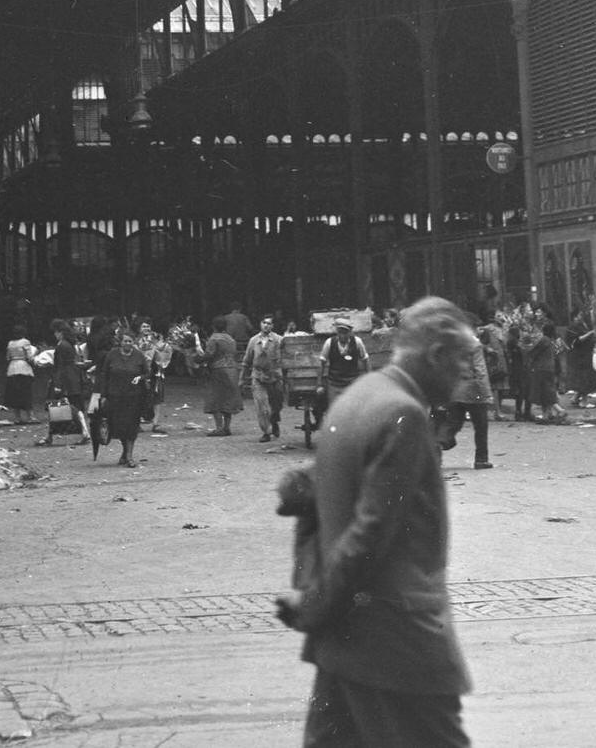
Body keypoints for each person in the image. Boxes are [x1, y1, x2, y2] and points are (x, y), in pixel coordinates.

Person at [277, 296, 478, 748]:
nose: (468, 373)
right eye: (464, 359)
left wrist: (314, 594)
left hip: (345, 641)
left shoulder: (358, 397)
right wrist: (316, 604)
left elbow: (311, 505)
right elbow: (369, 536)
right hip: (396, 645)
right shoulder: (404, 414)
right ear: (436, 355)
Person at [436, 321, 495, 466]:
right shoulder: (475, 345)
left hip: (455, 389)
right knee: (481, 426)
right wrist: (487, 392)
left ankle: (438, 444)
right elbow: (480, 370)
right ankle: (481, 459)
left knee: (453, 422)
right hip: (474, 389)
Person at [99, 327, 148, 467]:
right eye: (125, 341)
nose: (127, 343)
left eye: (130, 341)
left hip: (134, 397)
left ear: (134, 342)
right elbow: (105, 375)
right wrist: (103, 395)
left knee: (131, 426)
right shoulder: (112, 355)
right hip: (115, 397)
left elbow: (147, 373)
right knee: (119, 427)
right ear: (120, 342)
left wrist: (140, 377)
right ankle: (125, 451)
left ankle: (129, 456)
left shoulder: (139, 356)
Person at [241, 314, 285, 442]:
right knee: (261, 406)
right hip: (258, 376)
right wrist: (241, 379)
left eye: (269, 323)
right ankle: (266, 432)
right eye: (264, 323)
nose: (266, 325)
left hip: (275, 377)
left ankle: (274, 421)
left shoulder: (279, 340)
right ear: (260, 324)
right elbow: (246, 361)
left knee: (276, 405)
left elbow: (287, 358)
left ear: (273, 326)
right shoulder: (253, 341)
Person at [50, 319, 91, 445]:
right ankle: (84, 432)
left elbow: (60, 366)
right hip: (74, 377)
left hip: (66, 379)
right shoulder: (70, 344)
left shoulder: (61, 345)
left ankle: (84, 432)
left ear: (60, 332)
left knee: (65, 406)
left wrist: (57, 383)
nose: (55, 335)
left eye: (55, 332)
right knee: (76, 405)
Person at [317, 319, 369, 415]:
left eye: (345, 333)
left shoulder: (357, 342)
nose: (343, 335)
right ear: (337, 332)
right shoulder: (329, 343)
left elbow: (365, 360)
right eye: (340, 332)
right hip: (334, 383)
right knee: (334, 410)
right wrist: (319, 384)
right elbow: (322, 363)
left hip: (352, 383)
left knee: (354, 411)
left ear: (350, 332)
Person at [202, 315, 244, 436]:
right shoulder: (230, 339)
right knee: (228, 399)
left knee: (216, 399)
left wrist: (197, 358)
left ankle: (219, 428)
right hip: (232, 370)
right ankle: (227, 427)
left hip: (218, 370)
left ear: (213, 326)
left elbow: (209, 354)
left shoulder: (214, 338)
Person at [4, 324, 38, 424]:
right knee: (26, 393)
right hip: (24, 368)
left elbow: (8, 357)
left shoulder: (10, 343)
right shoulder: (25, 342)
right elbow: (29, 357)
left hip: (12, 369)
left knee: (14, 394)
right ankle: (30, 416)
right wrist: (36, 356)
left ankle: (17, 417)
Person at [565, 307, 596, 407]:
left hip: (584, 355)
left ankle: (576, 397)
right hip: (579, 356)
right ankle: (584, 401)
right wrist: (590, 333)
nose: (581, 317)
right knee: (584, 378)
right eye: (579, 315)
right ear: (574, 317)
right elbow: (577, 340)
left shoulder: (582, 325)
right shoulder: (572, 327)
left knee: (583, 377)